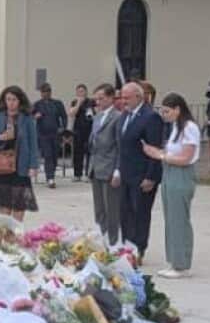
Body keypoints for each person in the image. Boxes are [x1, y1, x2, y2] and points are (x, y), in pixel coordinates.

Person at [140, 93, 199, 279]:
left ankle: (181, 263)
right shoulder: (176, 127)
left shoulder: (189, 128)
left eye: (167, 111)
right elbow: (171, 152)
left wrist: (161, 156)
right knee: (171, 218)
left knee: (179, 219)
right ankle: (174, 260)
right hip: (169, 172)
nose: (164, 115)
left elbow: (186, 158)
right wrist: (157, 152)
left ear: (177, 109)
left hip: (181, 174)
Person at [116, 81, 163, 256]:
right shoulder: (125, 115)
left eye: (127, 97)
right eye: (122, 97)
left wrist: (151, 176)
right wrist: (118, 170)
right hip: (126, 173)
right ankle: (127, 246)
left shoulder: (151, 117)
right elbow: (122, 145)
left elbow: (155, 148)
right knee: (125, 212)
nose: (123, 101)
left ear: (138, 97)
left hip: (143, 175)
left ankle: (139, 248)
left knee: (140, 213)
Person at [0, 86, 39, 221]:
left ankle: (17, 234)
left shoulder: (26, 118)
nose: (11, 102)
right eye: (8, 99)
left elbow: (33, 143)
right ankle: (6, 235)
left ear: (20, 101)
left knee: (19, 204)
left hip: (21, 165)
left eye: (14, 99)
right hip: (2, 165)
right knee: (4, 204)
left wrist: (33, 166)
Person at [87, 83, 122, 244]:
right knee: (99, 209)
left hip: (109, 167)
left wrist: (117, 170)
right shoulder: (98, 117)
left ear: (110, 98)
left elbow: (119, 146)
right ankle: (103, 237)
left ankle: (113, 242)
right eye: (96, 99)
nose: (98, 102)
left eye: (101, 98)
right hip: (96, 166)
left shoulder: (118, 117)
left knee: (111, 209)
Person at [31, 83, 66, 188]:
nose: (46, 94)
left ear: (51, 92)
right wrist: (35, 116)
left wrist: (63, 127)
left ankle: (52, 175)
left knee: (55, 156)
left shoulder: (57, 103)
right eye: (43, 92)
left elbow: (63, 116)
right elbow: (29, 115)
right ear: (41, 93)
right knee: (48, 155)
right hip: (43, 134)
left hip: (55, 133)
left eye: (48, 91)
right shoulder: (37, 104)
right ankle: (50, 178)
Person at [67, 84, 95, 182]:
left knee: (89, 152)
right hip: (78, 130)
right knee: (77, 152)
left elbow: (94, 113)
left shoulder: (91, 102)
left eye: (82, 91)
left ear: (86, 92)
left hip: (89, 130)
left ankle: (88, 174)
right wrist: (78, 103)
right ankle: (77, 174)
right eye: (79, 91)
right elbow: (71, 113)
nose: (81, 93)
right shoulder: (74, 102)